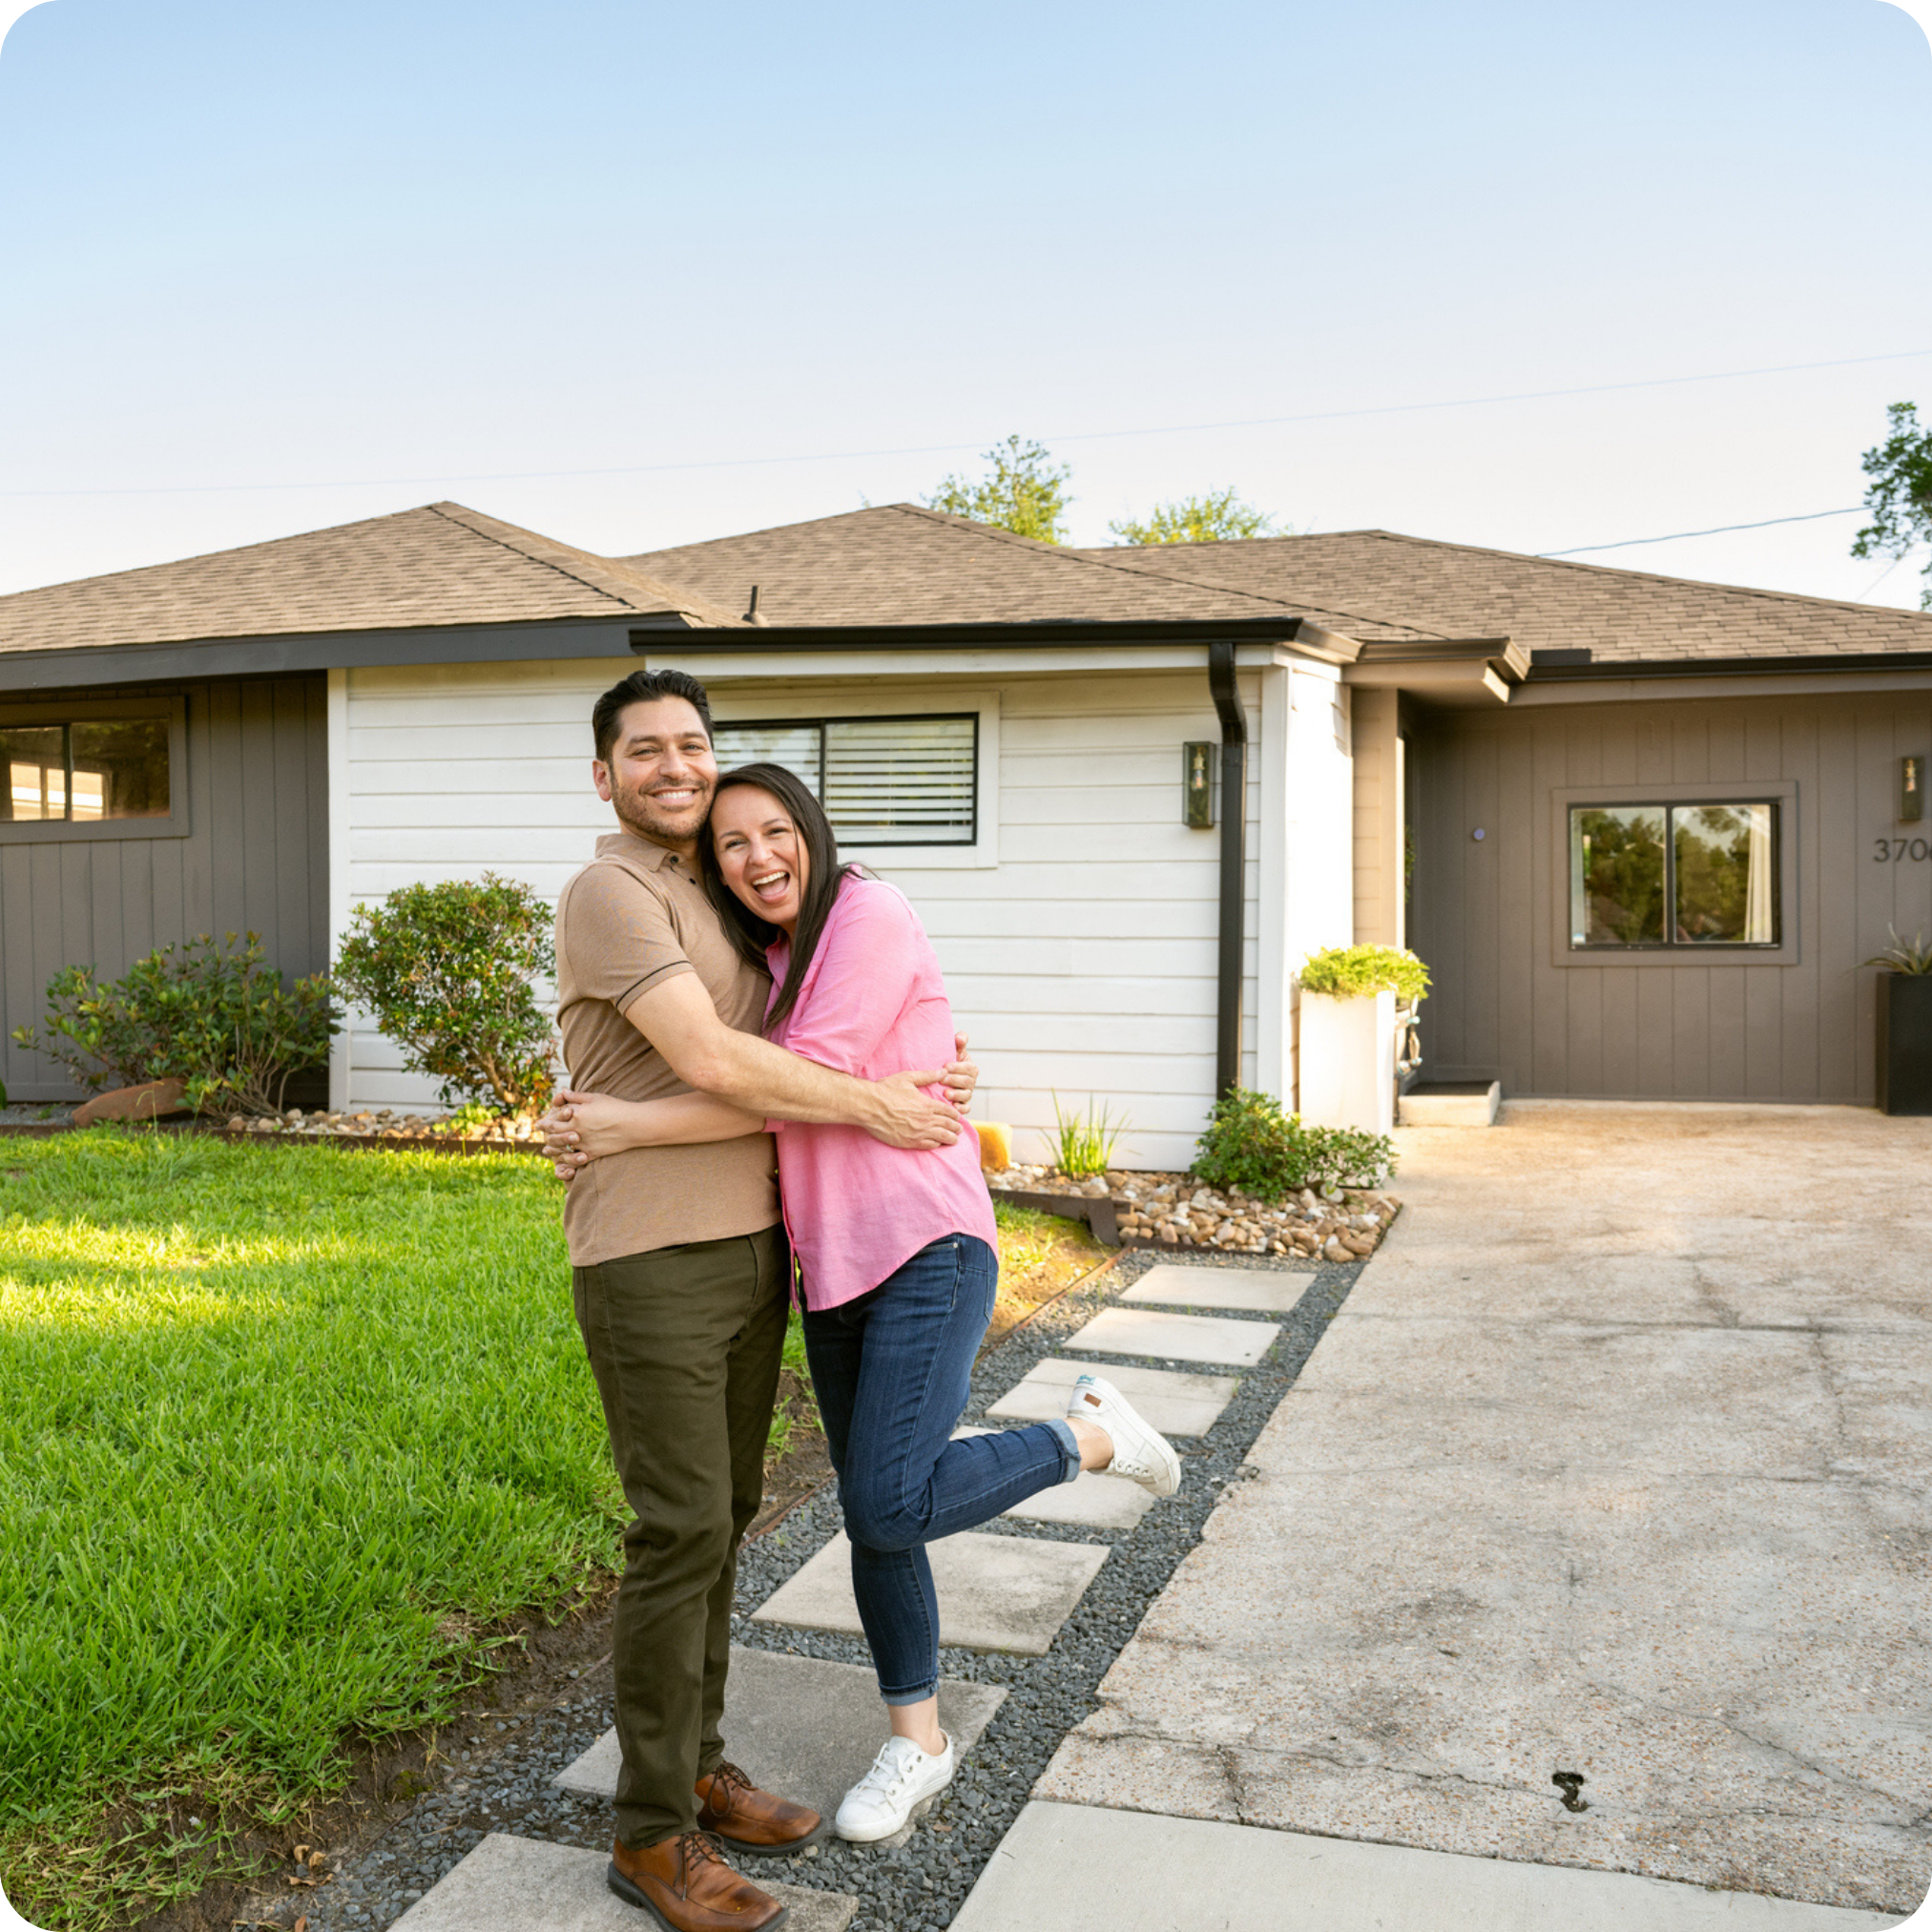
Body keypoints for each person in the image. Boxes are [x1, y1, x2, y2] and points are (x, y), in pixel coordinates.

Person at [547, 759, 1182, 1849]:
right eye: (730, 847)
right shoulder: (775, 955)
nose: (756, 859)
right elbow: (783, 1081)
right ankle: (920, 1744)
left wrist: (622, 1125)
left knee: (888, 1502)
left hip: (924, 1244)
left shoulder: (871, 912)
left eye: (773, 832)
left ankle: (1085, 1437)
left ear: (813, 828)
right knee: (882, 1518)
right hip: (830, 1268)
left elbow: (783, 1080)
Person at [550, 668, 985, 1932]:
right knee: (678, 1527)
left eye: (693, 745)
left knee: (723, 1518)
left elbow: (827, 1032)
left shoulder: (720, 895)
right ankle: (649, 1835)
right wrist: (882, 1103)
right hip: (651, 1255)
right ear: (606, 775)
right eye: (648, 752)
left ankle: (694, 1764)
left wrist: (917, 1067)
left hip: (754, 1246)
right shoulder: (612, 889)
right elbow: (720, 1062)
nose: (677, 768)